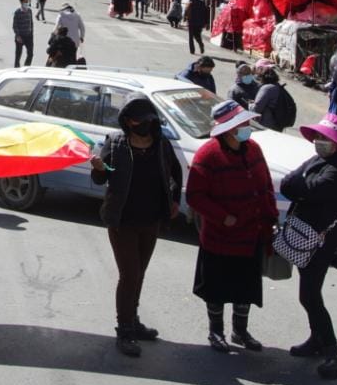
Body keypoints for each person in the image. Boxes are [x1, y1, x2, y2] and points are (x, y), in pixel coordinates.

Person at [91, 97, 182, 356]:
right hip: (122, 221)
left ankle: (134, 319)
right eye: (136, 121)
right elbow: (100, 179)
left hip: (151, 220)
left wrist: (174, 200)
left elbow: (175, 173)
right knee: (129, 275)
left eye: (146, 120)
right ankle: (125, 330)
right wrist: (98, 168)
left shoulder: (161, 145)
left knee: (139, 273)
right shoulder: (117, 144)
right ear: (127, 123)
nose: (142, 124)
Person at [187, 101, 277, 353]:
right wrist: (222, 216)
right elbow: (195, 196)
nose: (246, 128)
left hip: (251, 234)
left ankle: (240, 331)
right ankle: (216, 332)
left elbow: (266, 185)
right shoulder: (208, 155)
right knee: (216, 287)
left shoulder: (254, 149)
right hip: (220, 237)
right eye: (241, 124)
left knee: (245, 287)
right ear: (228, 129)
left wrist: (269, 215)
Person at [280, 114, 337, 379]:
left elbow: (309, 188)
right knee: (309, 292)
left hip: (321, 239)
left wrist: (300, 185)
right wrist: (300, 185)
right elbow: (289, 183)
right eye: (317, 137)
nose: (318, 142)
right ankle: (317, 339)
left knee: (310, 296)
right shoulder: (323, 160)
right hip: (308, 234)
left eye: (324, 138)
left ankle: (333, 352)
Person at [251, 63, 294, 131]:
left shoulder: (266, 88)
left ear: (263, 77)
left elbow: (256, 109)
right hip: (278, 125)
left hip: (266, 126)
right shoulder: (278, 87)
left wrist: (250, 105)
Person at [12, 0, 35, 68]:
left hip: (29, 36)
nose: (27, 3)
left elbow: (31, 23)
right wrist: (18, 36)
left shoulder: (29, 11)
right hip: (20, 36)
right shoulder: (17, 12)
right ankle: (16, 68)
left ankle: (26, 67)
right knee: (18, 55)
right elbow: (14, 25)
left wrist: (31, 33)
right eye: (25, 1)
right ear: (21, 2)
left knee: (30, 54)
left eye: (27, 1)